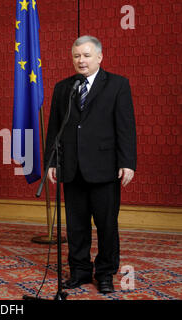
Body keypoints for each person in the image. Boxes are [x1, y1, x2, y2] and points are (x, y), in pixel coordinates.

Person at [45, 35, 136, 294]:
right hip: (71, 167)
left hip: (105, 167)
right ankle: (80, 271)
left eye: (86, 55)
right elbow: (55, 128)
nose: (80, 61)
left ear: (99, 57)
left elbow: (126, 126)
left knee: (107, 225)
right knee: (76, 225)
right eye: (76, 56)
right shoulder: (63, 88)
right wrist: (52, 160)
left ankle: (105, 272)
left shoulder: (118, 85)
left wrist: (127, 162)